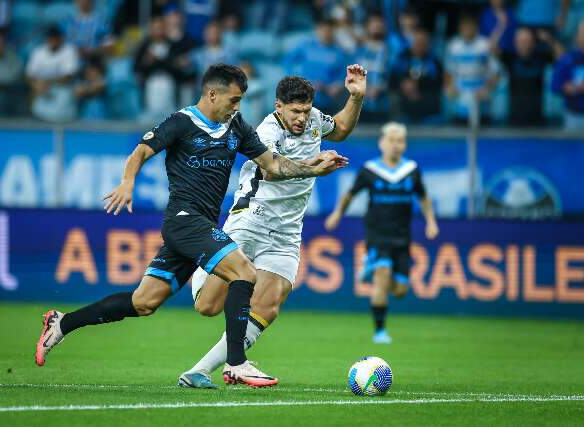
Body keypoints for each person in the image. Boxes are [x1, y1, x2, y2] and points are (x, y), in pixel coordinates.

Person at [35, 63, 348, 388]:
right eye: (234, 100)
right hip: (184, 220)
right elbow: (141, 151)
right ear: (212, 94)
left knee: (144, 302)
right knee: (244, 273)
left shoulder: (236, 126)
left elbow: (272, 165)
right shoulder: (181, 122)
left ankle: (62, 322)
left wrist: (311, 167)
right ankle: (237, 363)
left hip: (200, 227)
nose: (237, 107)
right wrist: (127, 182)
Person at [178, 65, 368, 389]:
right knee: (207, 306)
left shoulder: (313, 121)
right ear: (279, 106)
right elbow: (272, 171)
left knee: (271, 302)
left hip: (287, 232)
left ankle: (203, 370)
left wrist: (356, 97)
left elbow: (340, 129)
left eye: (306, 110)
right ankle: (198, 265)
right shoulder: (267, 131)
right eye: (295, 111)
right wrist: (314, 167)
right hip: (251, 219)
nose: (302, 118)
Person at [325, 122, 438, 344]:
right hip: (377, 233)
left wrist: (431, 222)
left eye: (401, 141)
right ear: (382, 143)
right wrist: (337, 214)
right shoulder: (370, 170)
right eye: (392, 141)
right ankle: (380, 332)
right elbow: (350, 194)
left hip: (403, 236)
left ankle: (369, 267)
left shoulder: (411, 170)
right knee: (382, 276)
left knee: (400, 290)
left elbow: (423, 197)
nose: (396, 145)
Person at [496, 27, 563, 126]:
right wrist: (500, 28)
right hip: (515, 117)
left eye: (526, 40)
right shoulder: (510, 57)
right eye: (520, 41)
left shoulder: (541, 57)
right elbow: (491, 49)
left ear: (533, 42)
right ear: (515, 42)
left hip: (537, 117)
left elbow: (563, 56)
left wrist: (549, 39)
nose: (523, 44)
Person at [444, 13, 500, 125]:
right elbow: (448, 72)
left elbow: (496, 72)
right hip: (460, 101)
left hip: (481, 101)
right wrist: (449, 87)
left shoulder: (485, 45)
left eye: (471, 26)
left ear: (476, 27)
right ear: (460, 28)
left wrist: (487, 89)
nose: (467, 29)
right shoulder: (453, 46)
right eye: (465, 26)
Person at [283, 18, 348, 111]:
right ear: (317, 30)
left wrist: (337, 86)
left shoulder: (339, 52)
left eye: (329, 30)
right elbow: (287, 63)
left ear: (334, 31)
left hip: (327, 101)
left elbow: (342, 75)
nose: (325, 33)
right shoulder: (305, 46)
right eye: (323, 29)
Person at [26, 26, 80, 122]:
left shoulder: (69, 51)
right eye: (50, 37)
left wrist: (47, 82)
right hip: (42, 94)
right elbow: (29, 75)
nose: (52, 40)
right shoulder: (38, 52)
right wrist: (36, 85)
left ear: (61, 38)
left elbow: (69, 76)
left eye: (55, 37)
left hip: (63, 95)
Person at [390, 27, 443, 124]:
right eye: (417, 42)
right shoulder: (402, 58)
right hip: (404, 105)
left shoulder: (434, 61)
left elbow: (438, 84)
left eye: (423, 43)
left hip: (426, 103)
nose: (420, 46)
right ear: (412, 43)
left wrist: (418, 87)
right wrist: (403, 85)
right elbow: (392, 81)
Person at [353, 13, 389, 123]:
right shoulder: (359, 50)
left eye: (380, 24)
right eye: (374, 24)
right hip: (359, 103)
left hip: (383, 103)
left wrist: (380, 87)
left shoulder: (390, 50)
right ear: (367, 27)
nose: (377, 27)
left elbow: (392, 74)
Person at [552, 21, 584, 130]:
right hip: (573, 115)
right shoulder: (566, 59)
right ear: (577, 36)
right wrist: (566, 88)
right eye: (582, 33)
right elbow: (555, 86)